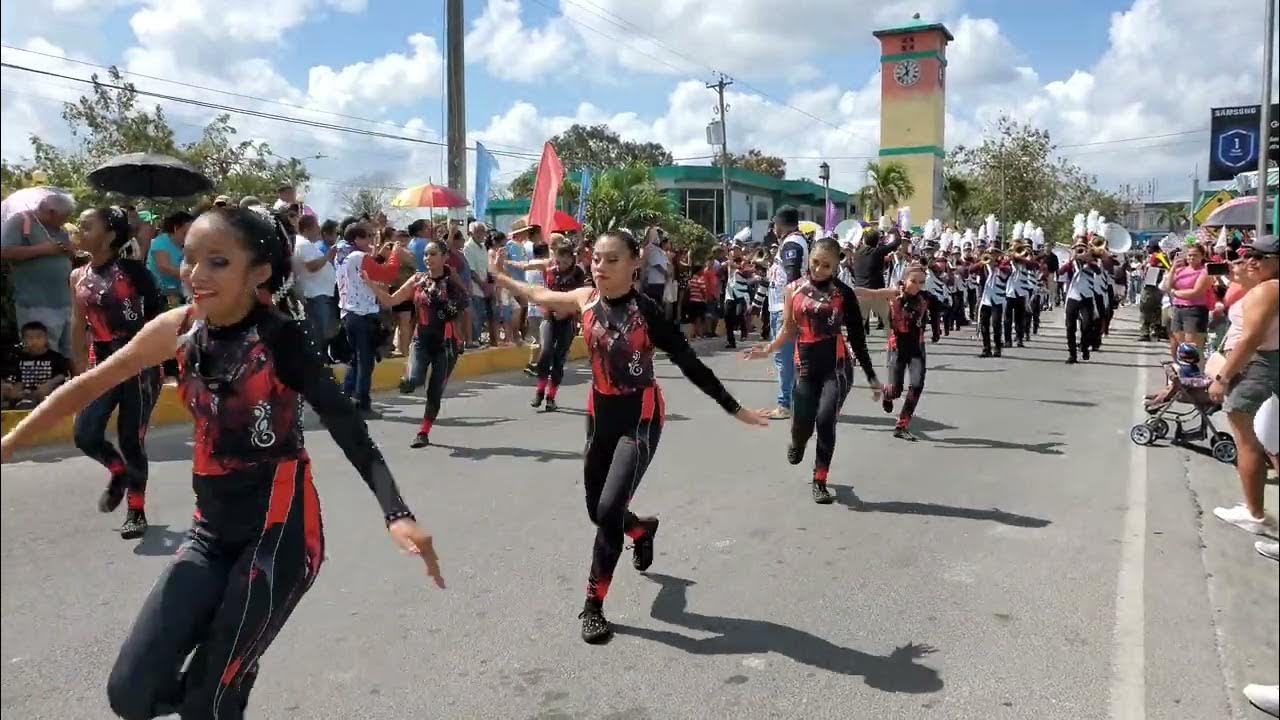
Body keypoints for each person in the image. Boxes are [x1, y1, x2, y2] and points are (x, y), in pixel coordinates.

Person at [1, 206, 444, 719]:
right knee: (131, 694)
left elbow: (349, 428)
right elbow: (88, 385)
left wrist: (397, 512)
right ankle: (225, 682)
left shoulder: (280, 340)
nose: (195, 275)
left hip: (278, 536)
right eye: (190, 260)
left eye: (217, 262)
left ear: (258, 272)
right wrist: (10, 443)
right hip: (209, 535)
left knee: (206, 704)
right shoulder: (178, 329)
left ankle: (221, 685)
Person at [490, 229, 766, 644]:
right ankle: (641, 530)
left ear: (635, 263)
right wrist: (501, 278)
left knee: (610, 508)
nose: (600, 266)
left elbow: (690, 364)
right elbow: (539, 295)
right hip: (599, 416)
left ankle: (593, 606)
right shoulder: (585, 299)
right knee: (598, 511)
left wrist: (734, 407)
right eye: (596, 259)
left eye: (611, 260)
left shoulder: (647, 312)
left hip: (640, 417)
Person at [747, 237, 879, 504]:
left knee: (826, 419)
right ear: (809, 260)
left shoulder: (844, 294)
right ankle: (797, 442)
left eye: (826, 266)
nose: (819, 270)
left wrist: (872, 376)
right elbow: (789, 328)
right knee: (803, 425)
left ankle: (820, 479)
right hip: (805, 365)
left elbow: (857, 338)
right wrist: (769, 348)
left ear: (836, 265)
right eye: (815, 263)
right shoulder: (793, 289)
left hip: (836, 366)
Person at [69, 207, 165, 540]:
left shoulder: (134, 272)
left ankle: (136, 511)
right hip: (102, 365)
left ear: (109, 235)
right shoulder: (77, 276)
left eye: (87, 224)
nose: (79, 229)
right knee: (85, 433)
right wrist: (79, 370)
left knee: (130, 438)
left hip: (139, 364)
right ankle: (117, 471)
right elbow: (76, 325)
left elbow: (158, 317)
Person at [1208, 235, 1279, 536]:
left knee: (1248, 443)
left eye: (1260, 258)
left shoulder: (1268, 290)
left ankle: (1255, 514)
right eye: (1250, 256)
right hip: (1264, 366)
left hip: (1255, 369)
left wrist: (1223, 378)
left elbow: (1251, 340)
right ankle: (1254, 509)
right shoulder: (1265, 288)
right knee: (1268, 441)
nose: (1252, 262)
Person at [368, 239, 467, 448]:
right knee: (412, 380)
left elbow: (463, 305)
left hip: (446, 345)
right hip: (421, 341)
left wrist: (459, 329)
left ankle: (423, 432)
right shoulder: (417, 280)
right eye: (425, 254)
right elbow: (391, 300)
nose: (427, 258)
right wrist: (370, 284)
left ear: (444, 257)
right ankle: (411, 379)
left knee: (434, 392)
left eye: (432, 254)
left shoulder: (451, 281)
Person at [508, 241, 589, 411]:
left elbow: (581, 298)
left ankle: (551, 397)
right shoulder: (550, 271)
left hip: (568, 320)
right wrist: (507, 263)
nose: (561, 266)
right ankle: (539, 391)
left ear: (572, 260)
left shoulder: (578, 274)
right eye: (558, 262)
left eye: (565, 262)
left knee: (559, 358)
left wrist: (568, 312)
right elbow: (528, 266)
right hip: (549, 317)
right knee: (545, 352)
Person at [855, 264, 931, 441]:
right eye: (913, 281)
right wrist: (844, 290)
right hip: (896, 347)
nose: (917, 286)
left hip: (917, 348)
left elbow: (936, 310)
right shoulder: (893, 294)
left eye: (922, 282)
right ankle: (887, 394)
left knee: (917, 385)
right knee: (896, 391)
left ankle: (902, 425)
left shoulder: (924, 298)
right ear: (904, 280)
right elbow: (871, 293)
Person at [0, 193, 77, 356]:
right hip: (37, 304)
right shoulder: (20, 222)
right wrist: (43, 249)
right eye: (64, 216)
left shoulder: (59, 229)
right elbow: (5, 252)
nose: (66, 219)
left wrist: (71, 250)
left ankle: (71, 381)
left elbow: (65, 255)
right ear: (51, 212)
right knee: (42, 354)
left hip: (64, 302)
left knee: (68, 352)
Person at [765, 207, 809, 420]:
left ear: (780, 223)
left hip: (785, 309)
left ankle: (785, 405)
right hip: (781, 307)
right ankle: (794, 401)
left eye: (774, 223)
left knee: (784, 359)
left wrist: (788, 311)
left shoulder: (792, 244)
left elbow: (792, 279)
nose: (773, 228)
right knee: (787, 358)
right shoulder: (790, 242)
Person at [1, 321, 69, 409]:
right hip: (25, 393)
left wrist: (49, 384)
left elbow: (62, 375)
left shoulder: (55, 357)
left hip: (47, 391)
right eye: (30, 338)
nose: (34, 341)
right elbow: (18, 380)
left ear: (46, 338)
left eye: (39, 337)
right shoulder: (19, 358)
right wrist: (16, 391)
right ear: (23, 340)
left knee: (48, 392)